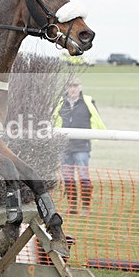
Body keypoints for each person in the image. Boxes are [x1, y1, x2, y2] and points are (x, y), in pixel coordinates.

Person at [52, 78, 107, 215]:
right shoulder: (60, 104)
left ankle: (85, 207)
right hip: (64, 147)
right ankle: (72, 206)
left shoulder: (88, 102)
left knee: (83, 176)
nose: (73, 89)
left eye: (75, 86)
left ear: (80, 87)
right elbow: (54, 122)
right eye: (70, 86)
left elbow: (96, 120)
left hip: (82, 147)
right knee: (68, 177)